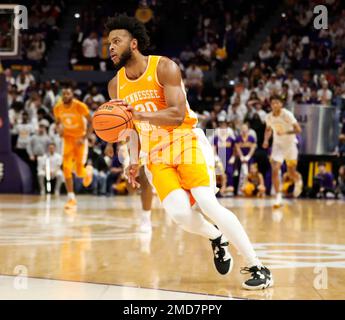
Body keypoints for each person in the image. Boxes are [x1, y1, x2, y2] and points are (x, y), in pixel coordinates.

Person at [105, 14, 273, 290]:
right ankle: (217, 237)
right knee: (180, 215)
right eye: (108, 43)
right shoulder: (115, 85)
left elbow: (177, 113)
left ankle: (257, 266)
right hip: (154, 155)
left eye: (116, 41)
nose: (110, 47)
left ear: (133, 43)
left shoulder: (164, 67)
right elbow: (130, 127)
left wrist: (139, 114)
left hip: (186, 140)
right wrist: (132, 160)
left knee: (207, 202)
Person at [53, 86, 94, 209]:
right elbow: (57, 122)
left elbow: (91, 122)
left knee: (80, 171)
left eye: (68, 94)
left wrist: (85, 137)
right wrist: (59, 130)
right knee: (66, 167)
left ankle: (88, 171)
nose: (66, 96)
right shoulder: (57, 108)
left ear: (72, 95)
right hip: (67, 140)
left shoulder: (80, 106)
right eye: (64, 94)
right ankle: (71, 198)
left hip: (80, 140)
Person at [263, 95, 303, 207]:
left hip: (290, 145)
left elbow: (298, 129)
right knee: (275, 169)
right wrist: (266, 140)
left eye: (277, 102)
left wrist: (285, 133)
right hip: (278, 146)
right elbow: (268, 130)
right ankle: (278, 197)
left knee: (291, 172)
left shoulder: (287, 114)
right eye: (273, 103)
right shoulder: (269, 117)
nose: (275, 105)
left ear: (281, 104)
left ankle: (298, 180)